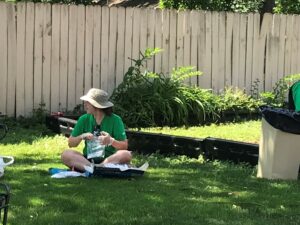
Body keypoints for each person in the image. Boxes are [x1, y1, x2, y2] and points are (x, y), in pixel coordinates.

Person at [61, 88, 132, 172]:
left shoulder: (115, 120)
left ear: (96, 105)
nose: (85, 105)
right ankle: (94, 168)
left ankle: (96, 168)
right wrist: (81, 136)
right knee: (66, 154)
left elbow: (124, 146)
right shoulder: (83, 119)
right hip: (87, 160)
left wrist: (111, 141)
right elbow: (71, 143)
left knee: (126, 154)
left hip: (109, 159)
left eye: (88, 102)